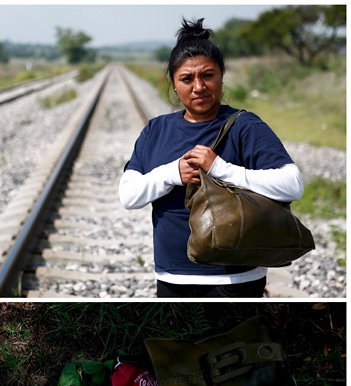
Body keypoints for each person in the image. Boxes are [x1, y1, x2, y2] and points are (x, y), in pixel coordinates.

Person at [119, 18, 304, 298]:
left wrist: (220, 168)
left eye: (208, 75)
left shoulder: (245, 125)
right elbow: (128, 196)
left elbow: (292, 185)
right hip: (172, 275)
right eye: (187, 79)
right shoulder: (156, 130)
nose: (199, 86)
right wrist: (171, 174)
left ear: (221, 76)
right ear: (174, 82)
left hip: (236, 276)